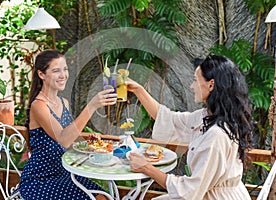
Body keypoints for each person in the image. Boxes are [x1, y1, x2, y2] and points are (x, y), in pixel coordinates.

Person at [127, 55, 253, 199]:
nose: (191, 86)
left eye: (195, 80)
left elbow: (190, 191)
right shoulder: (208, 117)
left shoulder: (217, 134)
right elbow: (169, 120)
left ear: (211, 85)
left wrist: (146, 168)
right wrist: (138, 90)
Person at [19, 49, 117, 200]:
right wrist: (91, 106)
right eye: (56, 70)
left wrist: (91, 144)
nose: (63, 75)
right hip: (40, 179)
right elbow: (63, 138)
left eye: (65, 69)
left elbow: (71, 140)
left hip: (65, 172)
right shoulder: (39, 106)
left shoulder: (63, 103)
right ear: (41, 75)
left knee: (104, 197)